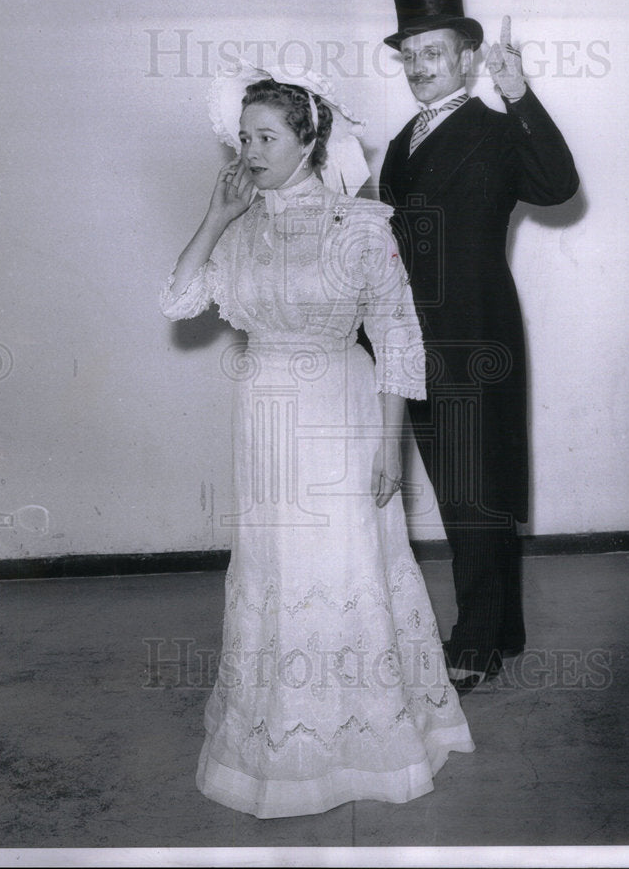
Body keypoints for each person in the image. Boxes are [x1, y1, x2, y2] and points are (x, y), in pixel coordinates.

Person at [159, 58, 474, 819]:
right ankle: (281, 738)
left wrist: (390, 448)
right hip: (266, 421)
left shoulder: (359, 226)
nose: (251, 152)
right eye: (243, 137)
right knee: (276, 567)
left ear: (309, 141)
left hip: (341, 411)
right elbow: (177, 301)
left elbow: (398, 338)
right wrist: (213, 219)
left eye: (267, 136)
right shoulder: (241, 232)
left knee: (344, 565)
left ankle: (363, 740)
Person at [379, 0, 580, 694]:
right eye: (409, 55)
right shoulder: (402, 140)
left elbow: (558, 186)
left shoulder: (496, 130)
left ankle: (476, 642)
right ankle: (504, 630)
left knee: (476, 492)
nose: (420, 66)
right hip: (414, 340)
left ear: (468, 58)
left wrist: (520, 95)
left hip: (474, 334)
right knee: (458, 486)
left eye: (434, 52)